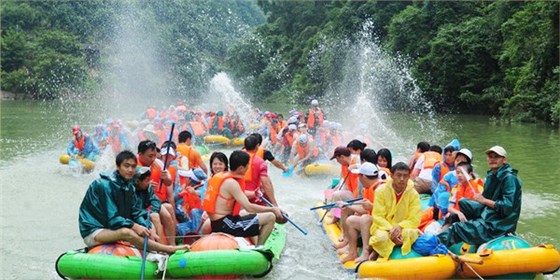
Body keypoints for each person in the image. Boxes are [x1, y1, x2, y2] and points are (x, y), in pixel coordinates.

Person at [78, 150, 189, 253]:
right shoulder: (104, 185)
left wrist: (148, 228)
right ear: (118, 166)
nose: (130, 170)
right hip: (94, 229)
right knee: (126, 232)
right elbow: (113, 219)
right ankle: (167, 249)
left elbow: (136, 212)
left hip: (110, 227)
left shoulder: (130, 186)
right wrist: (135, 226)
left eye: (133, 166)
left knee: (147, 224)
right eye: (126, 166)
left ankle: (155, 250)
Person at [438, 146, 522, 247]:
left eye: (496, 157)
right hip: (490, 212)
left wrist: (484, 200)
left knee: (457, 228)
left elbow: (507, 207)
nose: (492, 159)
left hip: (499, 222)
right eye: (490, 157)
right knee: (463, 203)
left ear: (504, 160)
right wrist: (479, 198)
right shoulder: (492, 175)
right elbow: (484, 198)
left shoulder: (509, 179)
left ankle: (434, 244)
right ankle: (445, 231)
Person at [202, 150, 283, 245]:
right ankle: (259, 249)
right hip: (227, 225)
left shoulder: (220, 177)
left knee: (246, 214)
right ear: (241, 168)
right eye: (247, 166)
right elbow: (249, 206)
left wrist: (254, 194)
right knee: (270, 217)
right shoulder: (231, 183)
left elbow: (238, 195)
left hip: (219, 222)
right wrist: (273, 209)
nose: (248, 168)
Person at [368, 162, 421, 260]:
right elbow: (378, 216)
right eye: (399, 175)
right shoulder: (381, 191)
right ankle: (374, 252)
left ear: (409, 177)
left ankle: (380, 250)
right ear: (392, 175)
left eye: (405, 176)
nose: (402, 179)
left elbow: (415, 219)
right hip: (384, 227)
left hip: (403, 227)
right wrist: (391, 230)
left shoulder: (413, 194)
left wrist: (400, 226)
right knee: (382, 237)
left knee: (410, 233)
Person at [339, 162, 384, 263]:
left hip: (382, 225)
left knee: (365, 218)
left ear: (363, 176)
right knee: (351, 220)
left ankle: (365, 253)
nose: (358, 179)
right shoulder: (368, 188)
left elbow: (367, 210)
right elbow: (365, 208)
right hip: (374, 222)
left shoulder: (380, 189)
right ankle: (352, 252)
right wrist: (347, 205)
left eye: (359, 176)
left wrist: (348, 205)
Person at [136, 140, 176, 245]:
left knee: (167, 215)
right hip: (137, 202)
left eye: (154, 155)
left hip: (151, 201)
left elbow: (168, 182)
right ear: (140, 155)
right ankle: (161, 248)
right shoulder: (133, 165)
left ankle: (172, 246)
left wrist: (165, 178)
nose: (153, 159)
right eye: (150, 156)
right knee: (155, 217)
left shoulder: (157, 164)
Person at [441, 162, 484, 231]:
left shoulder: (478, 187)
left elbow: (483, 205)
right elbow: (450, 208)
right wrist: (458, 213)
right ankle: (441, 233)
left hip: (474, 216)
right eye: (458, 173)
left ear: (469, 174)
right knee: (451, 216)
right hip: (460, 215)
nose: (459, 175)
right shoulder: (456, 188)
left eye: (462, 173)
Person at [243, 135, 279, 206]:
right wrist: (274, 204)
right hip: (252, 196)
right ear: (257, 146)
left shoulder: (236, 157)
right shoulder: (260, 162)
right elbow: (266, 184)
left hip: (238, 194)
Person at [133, 166, 165, 244]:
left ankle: (162, 245)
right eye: (146, 180)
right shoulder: (131, 190)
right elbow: (134, 212)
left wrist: (152, 211)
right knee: (151, 227)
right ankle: (158, 247)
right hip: (135, 217)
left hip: (144, 214)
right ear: (138, 181)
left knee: (155, 215)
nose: (149, 182)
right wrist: (147, 221)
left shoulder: (148, 187)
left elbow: (156, 201)